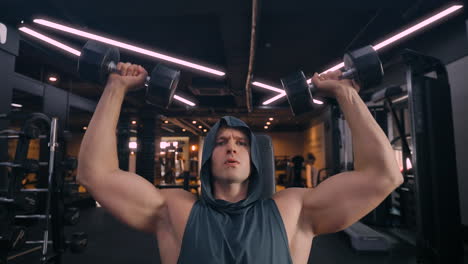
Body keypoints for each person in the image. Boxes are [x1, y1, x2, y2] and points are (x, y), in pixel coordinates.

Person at [77, 62, 403, 264]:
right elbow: (95, 174)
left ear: (254, 158)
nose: (231, 148)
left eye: (241, 143)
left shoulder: (293, 209)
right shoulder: (176, 209)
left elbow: (382, 176)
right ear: (207, 159)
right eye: (220, 142)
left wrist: (346, 94)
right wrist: (115, 88)